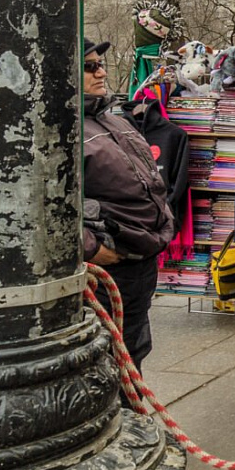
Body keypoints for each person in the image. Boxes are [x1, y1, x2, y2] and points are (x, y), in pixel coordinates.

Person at [82, 39, 175, 373]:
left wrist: (163, 224)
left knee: (133, 348)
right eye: (89, 66)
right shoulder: (59, 132)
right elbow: (42, 209)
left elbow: (152, 181)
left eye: (100, 63)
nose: (101, 72)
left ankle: (132, 415)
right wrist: (90, 248)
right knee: (105, 358)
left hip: (140, 261)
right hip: (108, 268)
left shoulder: (115, 121)